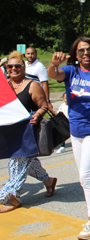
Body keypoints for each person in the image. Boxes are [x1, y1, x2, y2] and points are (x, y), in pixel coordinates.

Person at [48, 37, 90, 240]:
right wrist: (54, 64)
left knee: (86, 177)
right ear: (75, 55)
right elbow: (55, 74)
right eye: (81, 51)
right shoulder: (71, 71)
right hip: (75, 132)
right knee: (88, 175)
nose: (85, 53)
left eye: (89, 50)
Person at [1, 52, 57, 213]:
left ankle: (9, 197)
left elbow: (44, 105)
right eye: (10, 67)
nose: (13, 69)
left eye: (17, 66)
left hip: (27, 132)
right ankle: (49, 181)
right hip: (10, 132)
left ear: (23, 67)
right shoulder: (5, 85)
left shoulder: (32, 85)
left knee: (16, 165)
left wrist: (38, 115)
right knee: (29, 163)